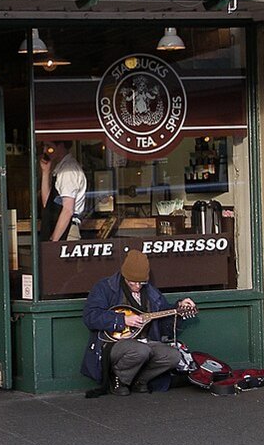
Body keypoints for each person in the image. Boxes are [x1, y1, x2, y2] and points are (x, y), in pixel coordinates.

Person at [81, 250, 196, 395]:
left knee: (173, 356)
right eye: (132, 282)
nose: (137, 286)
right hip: (114, 344)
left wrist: (178, 309)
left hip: (145, 341)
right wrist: (122, 320)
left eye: (141, 282)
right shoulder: (105, 287)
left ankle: (140, 381)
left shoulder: (151, 292)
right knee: (140, 350)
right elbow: (90, 316)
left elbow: (164, 322)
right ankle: (118, 380)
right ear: (124, 276)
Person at [39, 140, 87, 241]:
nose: (45, 151)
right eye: (44, 146)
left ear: (60, 146)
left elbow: (68, 210)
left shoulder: (68, 171)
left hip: (66, 231)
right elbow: (47, 204)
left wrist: (54, 241)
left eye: (49, 147)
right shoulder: (61, 168)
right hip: (59, 227)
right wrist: (46, 172)